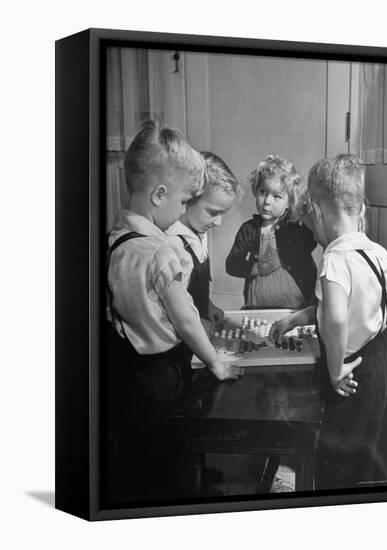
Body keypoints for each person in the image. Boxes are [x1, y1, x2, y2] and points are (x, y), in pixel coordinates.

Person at [105, 120, 244, 503]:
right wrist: (215, 360)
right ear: (159, 194)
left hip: (127, 373)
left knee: (140, 457)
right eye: (184, 202)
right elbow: (184, 318)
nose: (184, 210)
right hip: (162, 374)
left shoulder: (116, 238)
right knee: (170, 459)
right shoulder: (161, 250)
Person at [269, 154, 387, 490]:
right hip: (384, 362)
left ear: (315, 209)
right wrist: (298, 317)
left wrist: (335, 366)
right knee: (375, 454)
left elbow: (338, 316)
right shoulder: (376, 251)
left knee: (340, 464)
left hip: (352, 371)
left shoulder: (334, 259)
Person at [225, 155, 317, 308]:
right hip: (257, 304)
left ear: (289, 202)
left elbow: (310, 242)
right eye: (263, 192)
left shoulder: (295, 227)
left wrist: (280, 258)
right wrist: (253, 268)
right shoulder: (249, 230)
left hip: (295, 305)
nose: (267, 201)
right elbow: (232, 264)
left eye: (276, 196)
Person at [167, 151, 240, 337]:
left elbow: (192, 289)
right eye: (213, 212)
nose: (218, 222)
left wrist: (207, 305)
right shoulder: (171, 243)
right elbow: (166, 309)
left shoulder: (199, 233)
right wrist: (197, 324)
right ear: (189, 199)